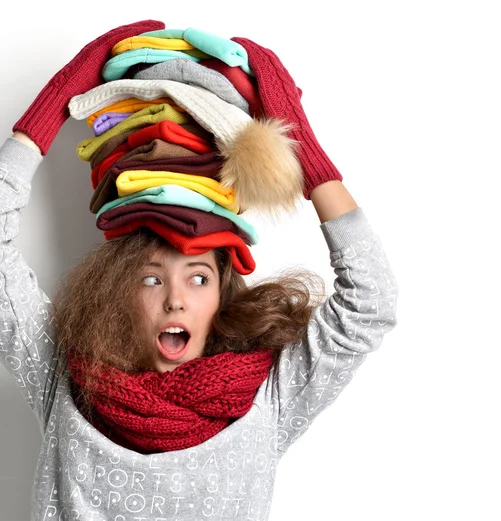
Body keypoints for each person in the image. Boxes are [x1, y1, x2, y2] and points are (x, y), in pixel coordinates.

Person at [0, 20, 398, 521]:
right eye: (150, 277)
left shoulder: (267, 395)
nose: (176, 298)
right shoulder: (67, 377)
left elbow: (371, 303)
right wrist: (49, 112)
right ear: (116, 293)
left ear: (222, 296)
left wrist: (307, 160)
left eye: (199, 277)